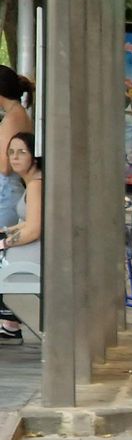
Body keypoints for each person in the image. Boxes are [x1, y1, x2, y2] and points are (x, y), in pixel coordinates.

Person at [0, 133, 42, 345]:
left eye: (22, 152)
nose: (15, 157)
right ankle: (10, 323)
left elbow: (34, 229)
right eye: (11, 152)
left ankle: (9, 322)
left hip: (30, 264)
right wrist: (8, 230)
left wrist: (4, 243)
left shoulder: (36, 185)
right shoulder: (33, 183)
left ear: (34, 156)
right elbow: (29, 221)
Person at [0, 65, 34, 230]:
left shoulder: (12, 119)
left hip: (5, 192)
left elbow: (5, 167)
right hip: (11, 190)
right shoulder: (20, 114)